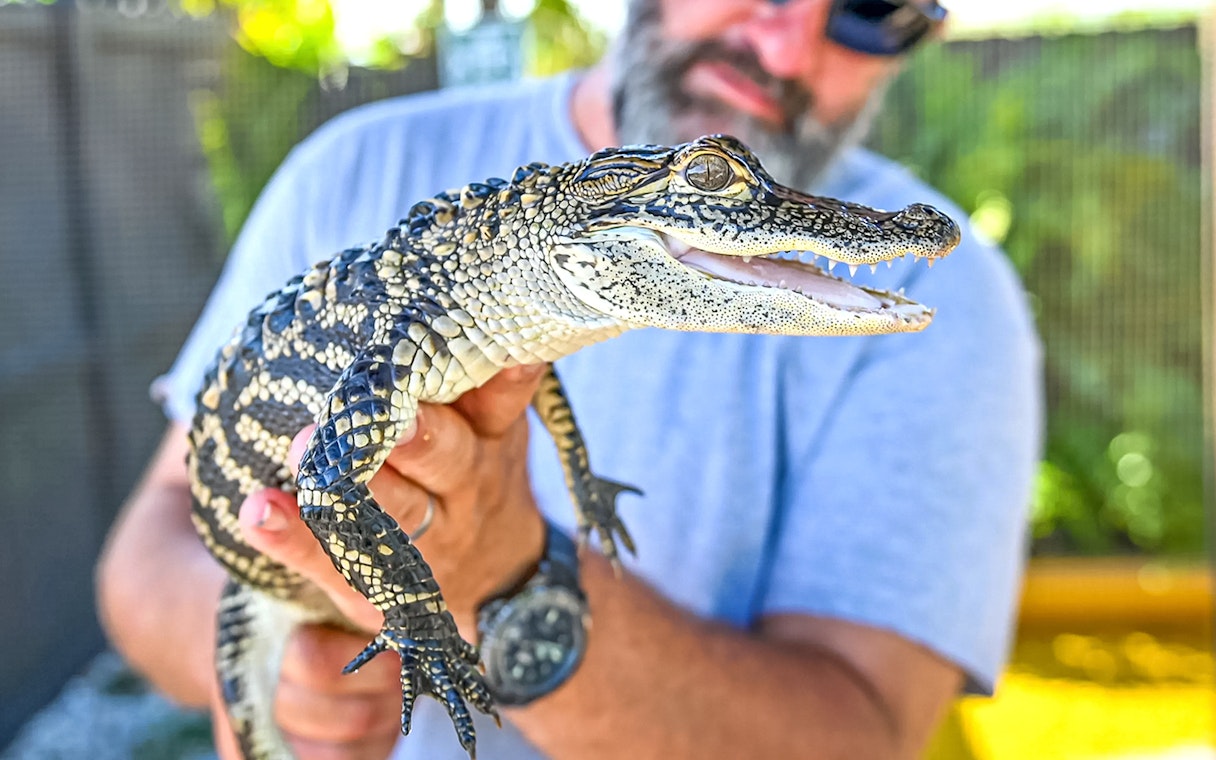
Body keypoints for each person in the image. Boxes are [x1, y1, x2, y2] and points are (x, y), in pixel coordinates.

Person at [96, 0, 1042, 757]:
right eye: (712, 184)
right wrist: (307, 665)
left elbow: (864, 739)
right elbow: (158, 543)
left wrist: (506, 570)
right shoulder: (349, 172)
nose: (785, 40)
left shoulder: (947, 299)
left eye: (871, 10)